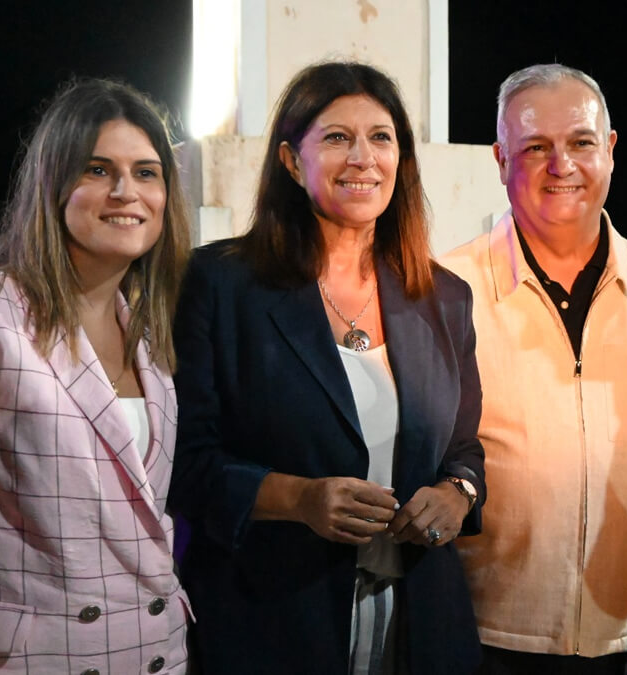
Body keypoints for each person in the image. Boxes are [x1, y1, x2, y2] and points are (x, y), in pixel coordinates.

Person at [169, 61, 484, 674]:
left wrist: (457, 494)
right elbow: (183, 461)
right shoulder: (220, 284)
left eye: (381, 137)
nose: (363, 157)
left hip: (417, 620)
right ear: (291, 161)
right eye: (337, 137)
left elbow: (466, 448)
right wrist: (298, 498)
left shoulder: (444, 298)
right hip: (273, 619)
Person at [0, 79, 193, 673]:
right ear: (52, 184)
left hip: (155, 657)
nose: (125, 191)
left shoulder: (150, 338)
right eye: (98, 170)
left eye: (147, 172)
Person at [440, 64, 627, 674]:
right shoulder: (445, 289)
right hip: (478, 638)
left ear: (609, 150)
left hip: (624, 643)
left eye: (581, 142)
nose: (562, 165)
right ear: (501, 160)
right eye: (535, 147)